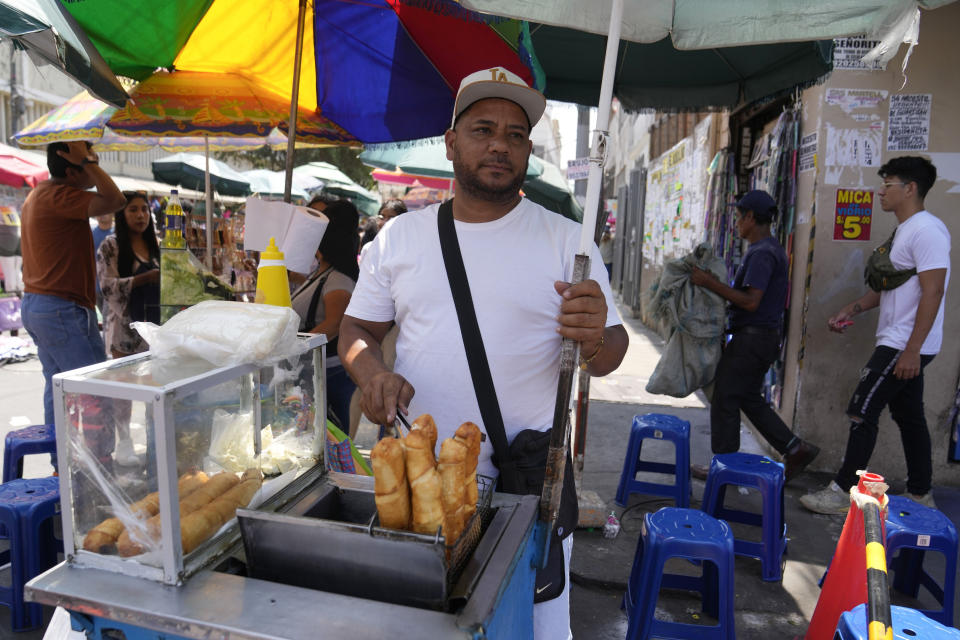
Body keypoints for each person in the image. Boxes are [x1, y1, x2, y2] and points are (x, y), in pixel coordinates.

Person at [339, 66, 628, 640]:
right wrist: (371, 374)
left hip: (529, 488)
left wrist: (594, 336)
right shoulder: (399, 240)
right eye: (483, 129)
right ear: (451, 143)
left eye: (516, 134)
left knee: (533, 627)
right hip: (423, 487)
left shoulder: (567, 241)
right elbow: (355, 331)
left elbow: (612, 353)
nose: (500, 143)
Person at [801, 156, 948, 514]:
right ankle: (920, 494)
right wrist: (851, 309)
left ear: (910, 188)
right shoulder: (906, 230)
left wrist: (912, 350)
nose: (880, 191)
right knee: (909, 416)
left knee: (861, 410)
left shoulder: (927, 230)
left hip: (904, 343)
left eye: (888, 185)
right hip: (900, 339)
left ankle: (842, 490)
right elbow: (892, 287)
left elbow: (934, 291)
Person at [690, 190, 819, 482]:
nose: (736, 224)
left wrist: (708, 282)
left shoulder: (762, 253)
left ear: (750, 217)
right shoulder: (767, 249)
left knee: (725, 397)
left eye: (738, 217)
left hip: (754, 338)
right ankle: (794, 447)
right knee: (746, 396)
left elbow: (750, 302)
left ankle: (724, 467)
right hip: (760, 337)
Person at [20, 141, 126, 429]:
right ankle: (97, 466)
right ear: (72, 171)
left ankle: (61, 463)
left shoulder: (41, 193)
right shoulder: (59, 196)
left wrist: (86, 161)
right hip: (60, 308)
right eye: (88, 166)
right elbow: (116, 200)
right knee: (94, 389)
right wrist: (89, 162)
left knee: (59, 387)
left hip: (43, 305)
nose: (94, 172)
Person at [96, 191, 160, 466]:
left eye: (144, 210)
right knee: (124, 392)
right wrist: (142, 279)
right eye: (133, 210)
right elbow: (106, 286)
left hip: (154, 329)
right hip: (123, 329)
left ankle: (156, 443)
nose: (140, 215)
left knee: (154, 388)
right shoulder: (110, 247)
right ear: (122, 214)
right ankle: (125, 444)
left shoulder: (157, 245)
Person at [291, 200, 360, 430]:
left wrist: (296, 348)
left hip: (326, 374)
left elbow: (334, 323)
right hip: (317, 371)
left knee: (329, 439)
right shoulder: (324, 272)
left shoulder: (338, 279)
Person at [91, 212, 115, 324]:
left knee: (109, 322)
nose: (102, 214)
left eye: (106, 211)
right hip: (95, 288)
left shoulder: (117, 233)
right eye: (99, 211)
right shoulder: (90, 234)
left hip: (112, 287)